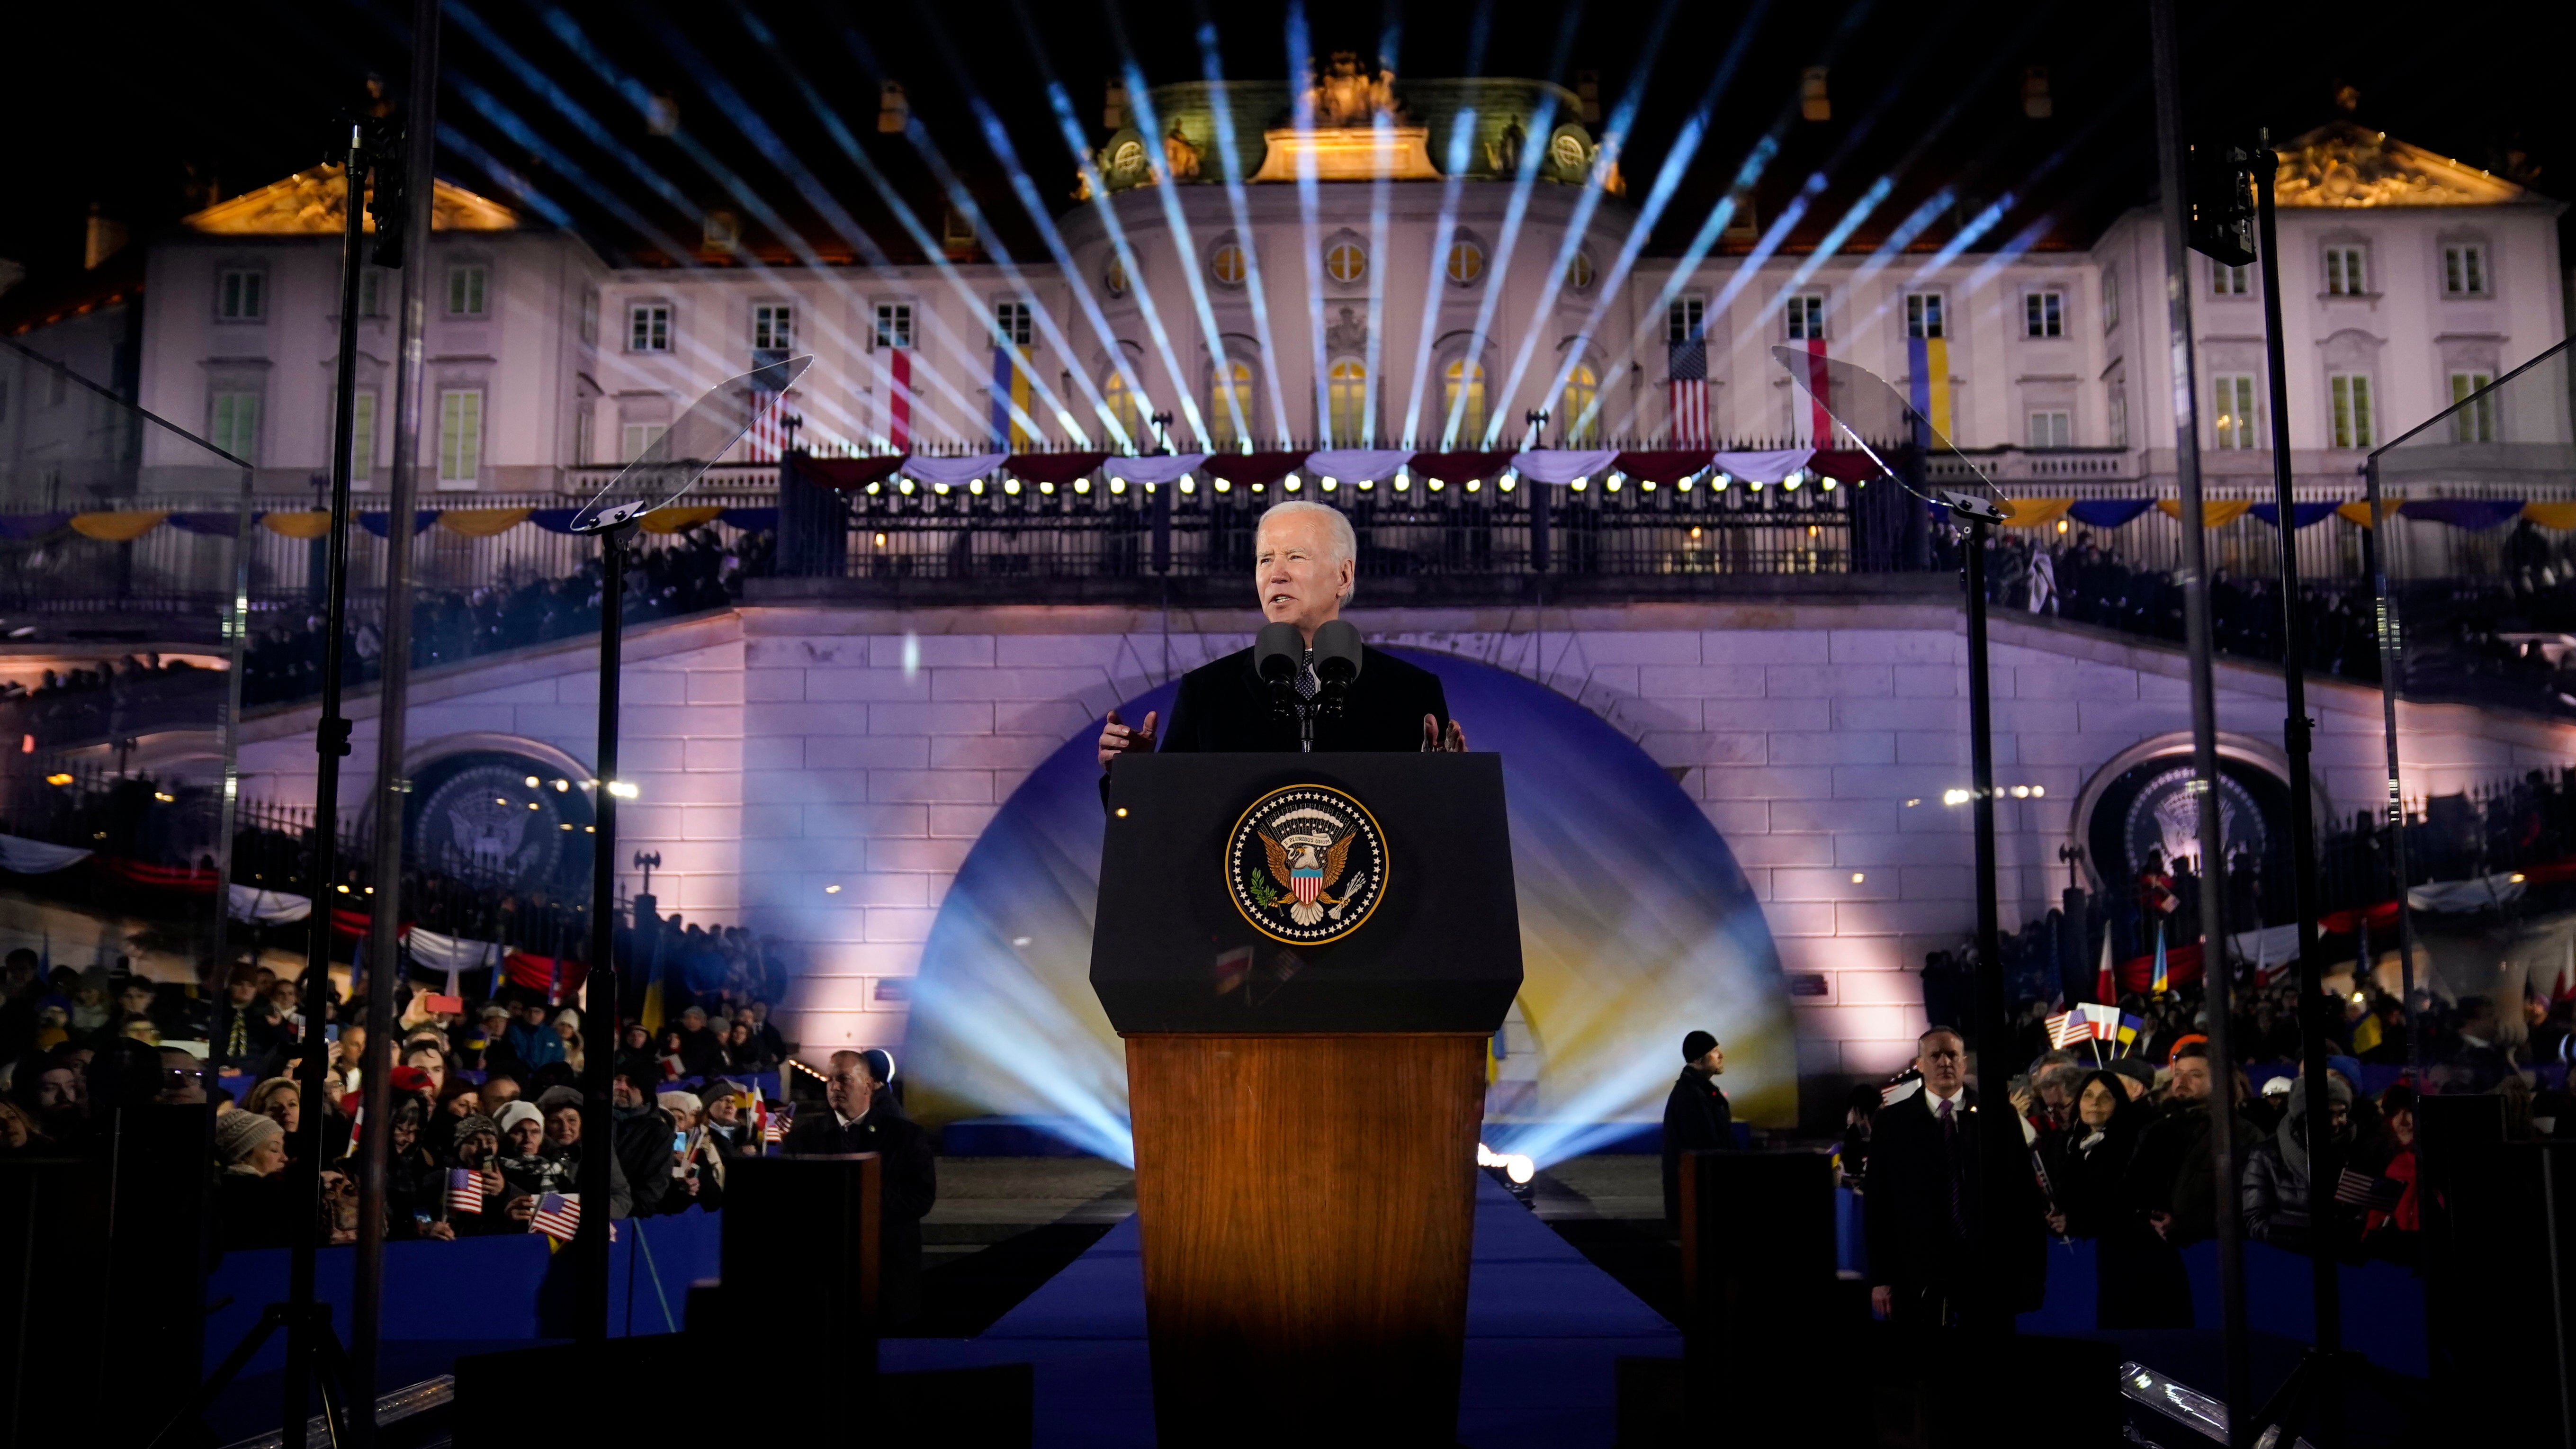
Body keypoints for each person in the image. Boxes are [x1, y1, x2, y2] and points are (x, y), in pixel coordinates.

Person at [1096, 500, 1467, 763]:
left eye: (1295, 556)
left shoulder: (1411, 692)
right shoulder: (1207, 692)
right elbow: (1165, 829)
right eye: (1265, 559)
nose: (1276, 573)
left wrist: (1448, 783)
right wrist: (1136, 775)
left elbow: (1442, 834)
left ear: (1343, 576)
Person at [1863, 1026, 2045, 1327]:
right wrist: (1881, 1278)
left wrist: (2031, 1278)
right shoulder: (1892, 1123)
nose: (1945, 1062)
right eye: (1935, 1055)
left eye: (1952, 1055)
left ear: (1964, 1063)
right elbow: (1878, 1206)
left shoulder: (1999, 1118)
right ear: (1919, 1064)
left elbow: (2024, 1198)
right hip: (1918, 1274)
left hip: (1987, 1271)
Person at [783, 1050, 937, 1324]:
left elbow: (921, 1196)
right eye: (830, 1080)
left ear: (868, 1084)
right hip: (826, 1277)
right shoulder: (804, 1138)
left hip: (887, 1272)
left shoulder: (906, 1136)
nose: (834, 1087)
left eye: (843, 1079)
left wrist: (863, 1204)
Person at [2044, 1070, 2188, 1327]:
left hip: (2142, 1263)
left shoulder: (2132, 1142)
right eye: (2088, 1096)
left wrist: (2076, 1222)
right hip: (2103, 1263)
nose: (2095, 1103)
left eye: (2106, 1097)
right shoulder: (2073, 1145)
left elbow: (2124, 1201)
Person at [2243, 1075, 2353, 1253]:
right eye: (2326, 1114)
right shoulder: (2267, 1155)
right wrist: (2307, 1237)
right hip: (2291, 1261)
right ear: (2303, 1116)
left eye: (2341, 1113)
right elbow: (2256, 1221)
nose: (2335, 1123)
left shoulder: (2354, 1149)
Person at [1659, 1029, 1732, 1230]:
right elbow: (1706, 1147)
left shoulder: (1700, 1091)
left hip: (1701, 1196)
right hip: (1699, 1200)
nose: (1721, 1056)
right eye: (1715, 1051)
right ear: (1700, 1059)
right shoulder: (1692, 1096)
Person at [214, 1109, 293, 1249]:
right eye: (274, 1150)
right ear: (243, 1156)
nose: (285, 1158)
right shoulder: (257, 1198)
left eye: (283, 1150)